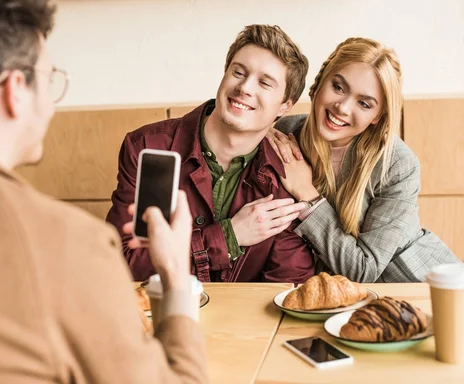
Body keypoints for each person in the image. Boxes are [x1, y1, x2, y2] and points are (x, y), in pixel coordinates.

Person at [0, 0, 207, 383]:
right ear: (15, 90)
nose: (51, 101)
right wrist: (175, 276)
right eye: (49, 79)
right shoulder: (65, 241)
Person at [107, 24, 315, 283]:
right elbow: (124, 264)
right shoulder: (149, 148)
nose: (245, 88)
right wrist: (229, 237)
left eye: (264, 83)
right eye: (238, 72)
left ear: (285, 106)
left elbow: (287, 287)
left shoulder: (286, 174)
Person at [268, 37, 459, 283]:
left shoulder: (397, 163)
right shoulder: (287, 133)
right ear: (320, 82)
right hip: (329, 293)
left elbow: (363, 270)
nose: (343, 108)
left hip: (413, 285)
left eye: (364, 103)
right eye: (338, 87)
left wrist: (307, 194)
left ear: (378, 116)